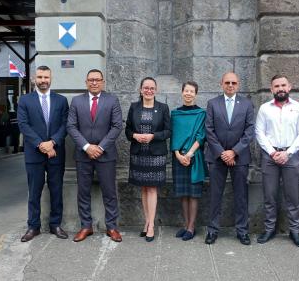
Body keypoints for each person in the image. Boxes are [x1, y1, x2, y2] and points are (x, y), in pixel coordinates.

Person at [67, 69, 123, 243]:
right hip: (83, 155)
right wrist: (86, 147)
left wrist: (99, 147)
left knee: (109, 192)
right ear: (86, 82)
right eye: (91, 80)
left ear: (102, 82)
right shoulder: (76, 101)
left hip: (106, 155)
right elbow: (71, 126)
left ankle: (112, 227)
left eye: (97, 80)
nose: (94, 83)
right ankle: (86, 226)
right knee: (83, 192)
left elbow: (117, 126)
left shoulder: (112, 100)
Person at [255, 74, 299, 247]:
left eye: (283, 85)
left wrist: (288, 153)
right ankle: (269, 229)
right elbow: (259, 133)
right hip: (269, 157)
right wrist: (272, 152)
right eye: (276, 86)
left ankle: (295, 231)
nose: (280, 89)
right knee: (270, 196)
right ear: (271, 89)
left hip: (291, 157)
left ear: (289, 87)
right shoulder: (265, 109)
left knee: (293, 197)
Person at [17, 65, 69, 242]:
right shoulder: (25, 100)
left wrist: (52, 142)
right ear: (34, 79)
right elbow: (23, 125)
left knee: (56, 191)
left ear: (51, 78)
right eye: (39, 77)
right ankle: (33, 226)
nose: (43, 80)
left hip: (56, 154)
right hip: (34, 154)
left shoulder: (61, 101)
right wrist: (41, 144)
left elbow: (65, 125)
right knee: (34, 192)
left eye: (46, 77)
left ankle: (55, 225)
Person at [204, 72, 255, 245]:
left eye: (234, 82)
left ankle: (242, 230)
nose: (230, 85)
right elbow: (209, 130)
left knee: (241, 195)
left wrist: (233, 152)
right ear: (221, 84)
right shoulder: (212, 104)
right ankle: (212, 230)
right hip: (216, 157)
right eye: (227, 82)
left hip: (239, 157)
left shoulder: (247, 104)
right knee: (215, 195)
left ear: (238, 85)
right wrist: (222, 153)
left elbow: (249, 131)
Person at [125, 77, 171, 242]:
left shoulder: (163, 108)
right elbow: (128, 130)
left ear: (156, 90)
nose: (149, 90)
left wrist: (153, 136)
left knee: (152, 189)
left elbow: (168, 131)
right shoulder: (134, 107)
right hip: (139, 153)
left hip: (156, 154)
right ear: (140, 89)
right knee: (143, 188)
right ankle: (146, 221)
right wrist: (135, 135)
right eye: (146, 88)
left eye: (152, 88)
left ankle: (151, 225)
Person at [170, 81, 207, 241]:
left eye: (192, 91)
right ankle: (185, 225)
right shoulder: (175, 114)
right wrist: (178, 154)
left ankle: (192, 227)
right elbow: (173, 136)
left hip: (194, 157)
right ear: (182, 92)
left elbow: (201, 135)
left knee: (193, 194)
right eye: (186, 90)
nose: (188, 93)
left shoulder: (201, 113)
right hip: (178, 158)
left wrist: (190, 154)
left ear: (196, 94)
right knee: (183, 194)